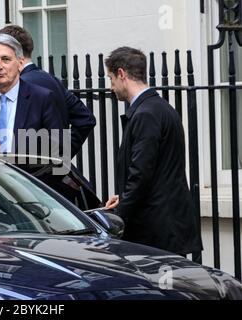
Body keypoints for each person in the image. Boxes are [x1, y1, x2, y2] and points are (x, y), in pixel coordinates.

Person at [104, 46, 203, 256]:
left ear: (121, 74)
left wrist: (118, 216)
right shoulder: (160, 108)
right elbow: (158, 171)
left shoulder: (146, 114)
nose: (111, 87)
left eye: (111, 79)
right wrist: (123, 196)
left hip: (155, 230)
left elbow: (141, 172)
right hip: (166, 224)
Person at [0, 25, 96, 158]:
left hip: (25, 174)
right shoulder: (52, 80)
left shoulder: (19, 85)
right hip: (48, 173)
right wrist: (61, 156)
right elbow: (86, 119)